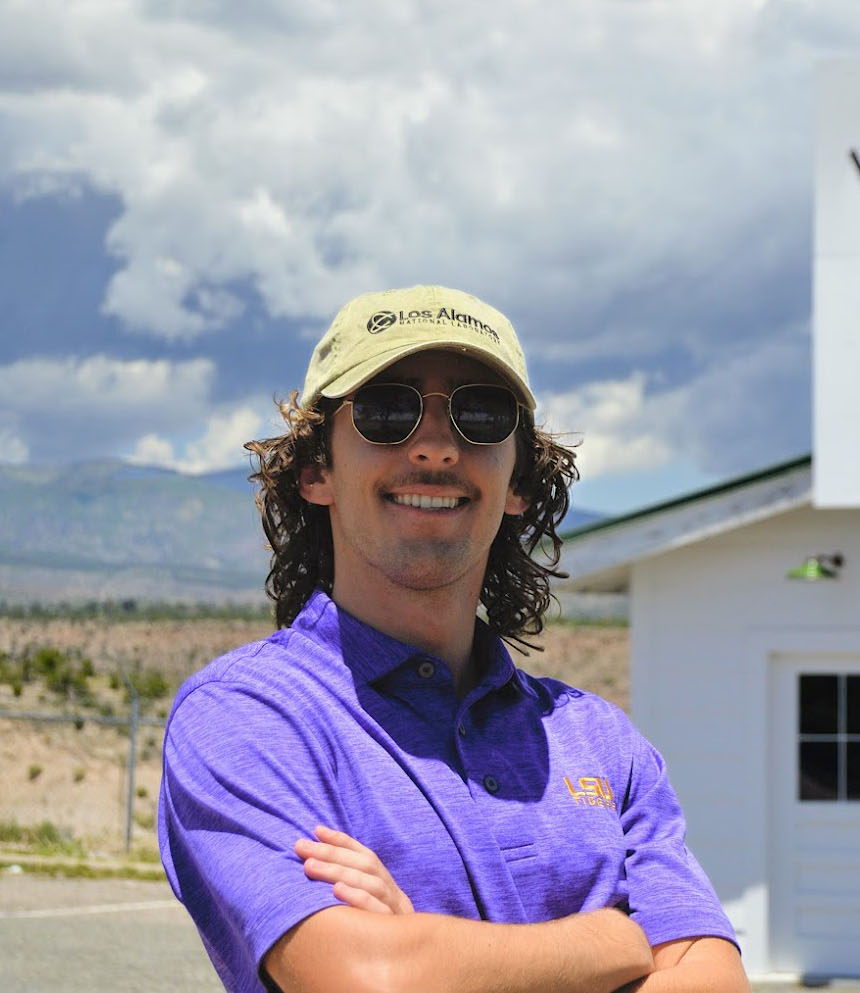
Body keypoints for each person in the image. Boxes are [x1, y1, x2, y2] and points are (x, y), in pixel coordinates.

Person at [158, 285, 748, 993]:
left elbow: (713, 977)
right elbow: (366, 976)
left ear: (519, 480)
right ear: (318, 471)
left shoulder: (603, 743)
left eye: (479, 413)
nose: (436, 447)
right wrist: (616, 939)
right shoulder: (247, 718)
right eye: (386, 411)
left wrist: (430, 947)